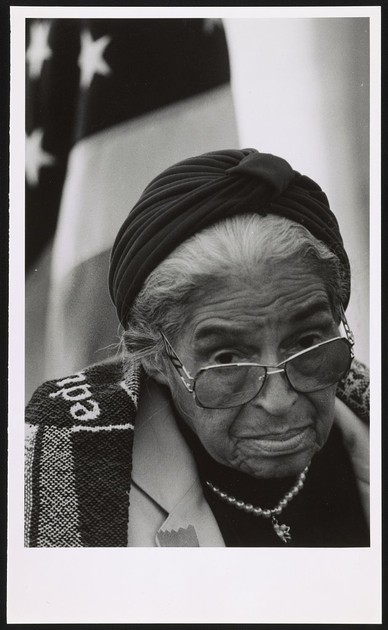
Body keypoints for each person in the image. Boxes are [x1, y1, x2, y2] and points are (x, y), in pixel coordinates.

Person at [25, 148, 369, 547]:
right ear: (154, 355)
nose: (279, 402)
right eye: (226, 359)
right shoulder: (65, 469)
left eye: (308, 341)